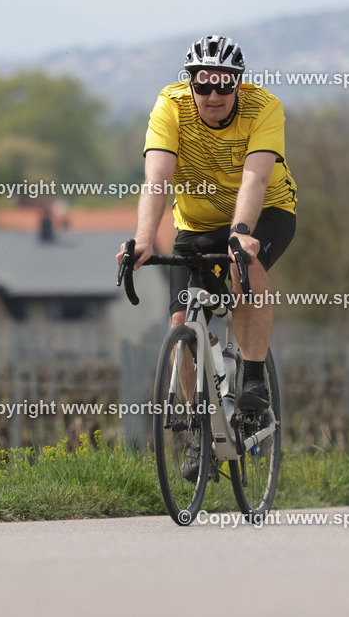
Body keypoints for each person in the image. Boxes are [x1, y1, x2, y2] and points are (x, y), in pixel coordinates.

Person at [119, 35, 297, 458]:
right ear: (191, 83)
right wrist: (144, 240)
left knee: (244, 262)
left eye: (223, 84)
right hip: (197, 223)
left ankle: (253, 378)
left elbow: (255, 179)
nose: (213, 94)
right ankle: (200, 429)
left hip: (265, 211)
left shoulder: (264, 107)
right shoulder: (171, 106)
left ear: (238, 83)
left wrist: (241, 231)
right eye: (203, 84)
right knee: (181, 323)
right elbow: (157, 179)